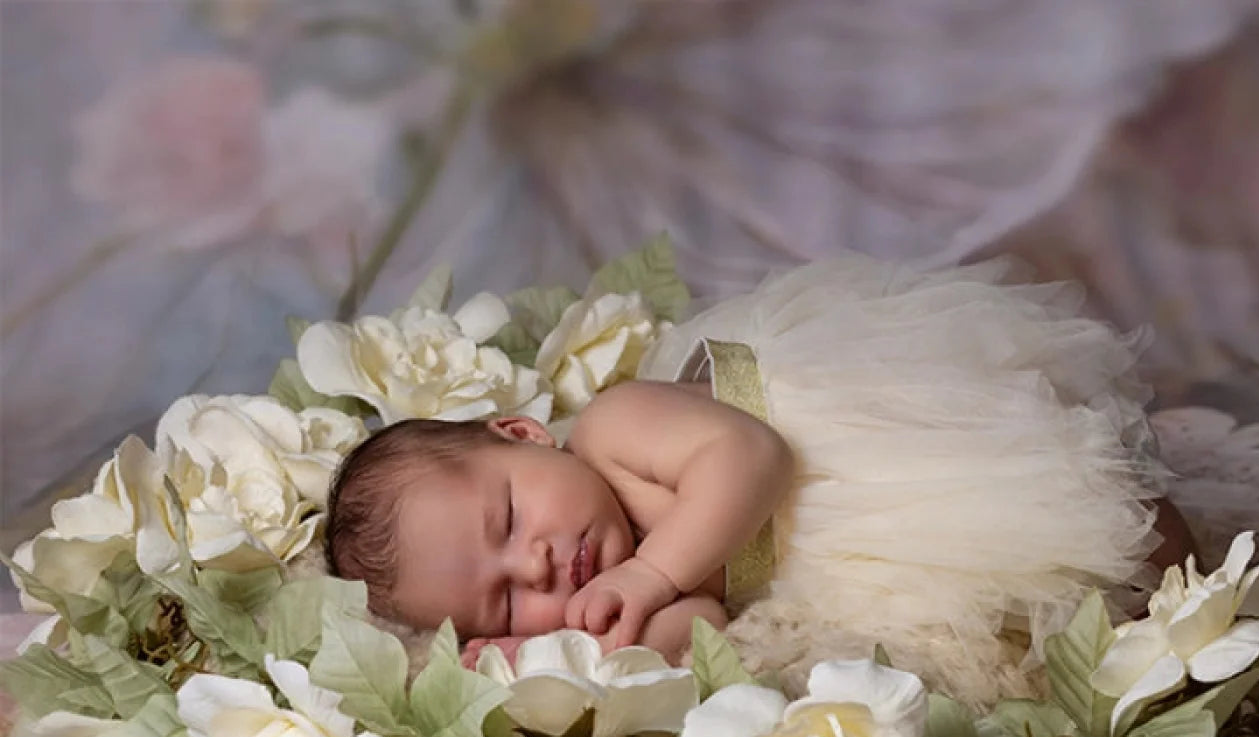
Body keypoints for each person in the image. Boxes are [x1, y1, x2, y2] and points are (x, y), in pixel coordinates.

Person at [325, 257, 1194, 705]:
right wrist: (564, 655)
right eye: (506, 601)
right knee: (1086, 590)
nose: (538, 565)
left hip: (868, 458)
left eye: (509, 519)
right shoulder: (617, 586)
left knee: (1087, 503)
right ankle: (1179, 598)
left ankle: (1157, 526)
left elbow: (749, 458)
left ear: (523, 435)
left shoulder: (613, 430)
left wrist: (649, 572)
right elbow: (702, 625)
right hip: (863, 549)